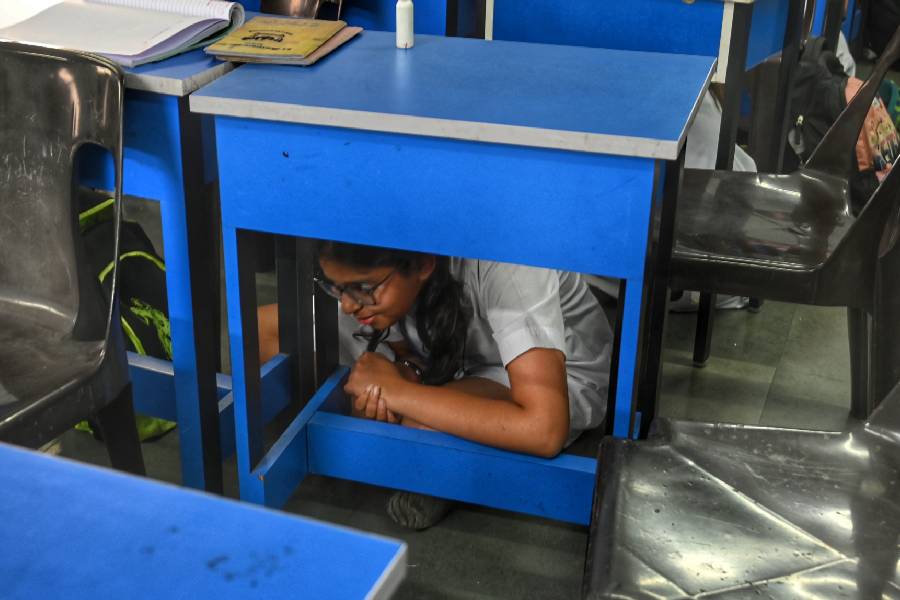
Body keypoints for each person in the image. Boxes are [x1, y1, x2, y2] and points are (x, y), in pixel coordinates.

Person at [258, 240, 613, 528]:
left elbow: (544, 429)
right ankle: (403, 434)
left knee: (420, 425)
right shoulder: (388, 278)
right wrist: (405, 366)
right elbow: (396, 330)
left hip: (546, 375)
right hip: (443, 350)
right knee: (266, 329)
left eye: (362, 288)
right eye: (336, 286)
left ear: (424, 263)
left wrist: (399, 391)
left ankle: (430, 458)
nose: (349, 305)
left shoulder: (510, 261)